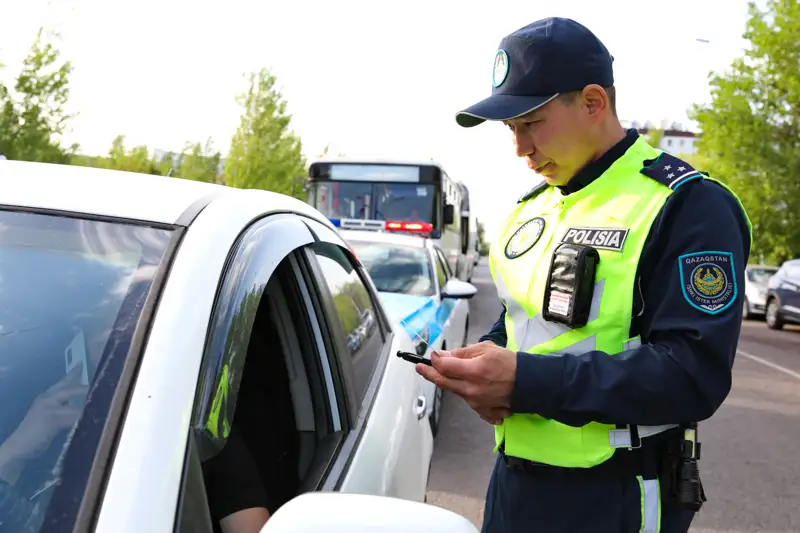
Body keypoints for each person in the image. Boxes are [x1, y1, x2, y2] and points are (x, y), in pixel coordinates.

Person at [416, 16, 752, 533]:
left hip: (615, 496)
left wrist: (524, 381)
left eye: (531, 122)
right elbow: (521, 321)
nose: (520, 148)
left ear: (593, 103)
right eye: (511, 128)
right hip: (513, 486)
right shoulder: (531, 209)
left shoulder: (685, 204)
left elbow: (693, 375)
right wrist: (480, 364)